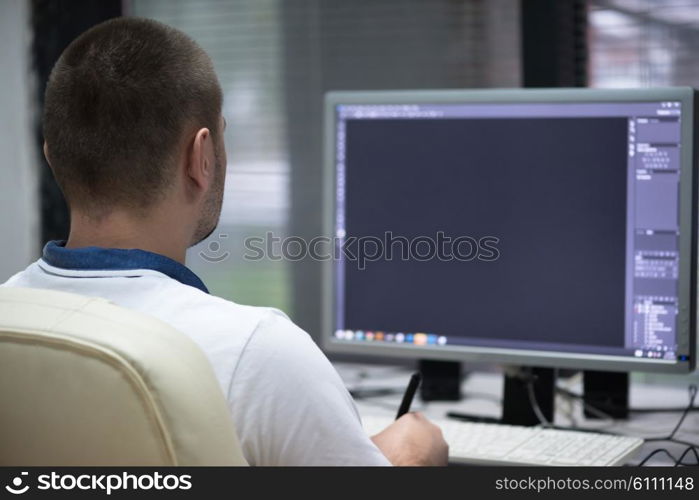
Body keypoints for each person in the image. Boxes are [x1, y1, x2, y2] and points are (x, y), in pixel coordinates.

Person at [2, 17, 447, 466]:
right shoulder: (258, 355)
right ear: (202, 157)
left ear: (51, 157)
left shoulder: (11, 318)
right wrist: (409, 458)